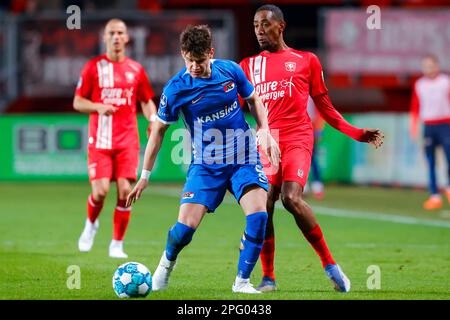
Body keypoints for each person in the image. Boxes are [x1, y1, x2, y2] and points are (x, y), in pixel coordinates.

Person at [239, 4, 384, 293]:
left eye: (265, 24)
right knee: (265, 203)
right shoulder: (247, 66)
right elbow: (234, 107)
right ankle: (268, 277)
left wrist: (356, 133)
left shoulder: (306, 61)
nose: (259, 30)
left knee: (291, 198)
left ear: (281, 26)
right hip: (268, 140)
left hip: (297, 137)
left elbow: (325, 108)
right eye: (255, 25)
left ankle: (331, 266)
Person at [126, 25, 280, 294]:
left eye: (198, 61)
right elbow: (158, 132)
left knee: (258, 216)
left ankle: (242, 282)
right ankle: (166, 264)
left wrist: (264, 129)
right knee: (185, 230)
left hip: (243, 155)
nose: (193, 67)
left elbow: (254, 98)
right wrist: (144, 176)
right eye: (188, 60)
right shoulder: (176, 88)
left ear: (211, 53)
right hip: (207, 165)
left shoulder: (230, 71)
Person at [74, 19, 157, 258]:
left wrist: (152, 121)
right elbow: (77, 102)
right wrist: (98, 107)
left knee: (124, 190)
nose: (116, 37)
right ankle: (91, 225)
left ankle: (117, 244)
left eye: (120, 33)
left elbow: (146, 100)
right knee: (100, 192)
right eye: (112, 33)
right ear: (104, 37)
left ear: (127, 37)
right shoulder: (93, 68)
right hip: (99, 141)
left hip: (127, 141)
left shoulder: (136, 70)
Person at [410, 54, 450, 210]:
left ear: (437, 66)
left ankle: (448, 186)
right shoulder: (420, 85)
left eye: (431, 65)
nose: (428, 68)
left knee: (449, 158)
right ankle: (434, 196)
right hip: (428, 126)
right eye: (425, 66)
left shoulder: (445, 82)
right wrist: (413, 127)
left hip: (445, 124)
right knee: (431, 162)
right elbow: (415, 107)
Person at [307, 96, 325, 200]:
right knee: (300, 158)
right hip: (298, 128)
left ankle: (317, 186)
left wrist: (318, 130)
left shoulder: (313, 95)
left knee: (312, 158)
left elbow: (319, 113)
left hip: (311, 130)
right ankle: (303, 186)